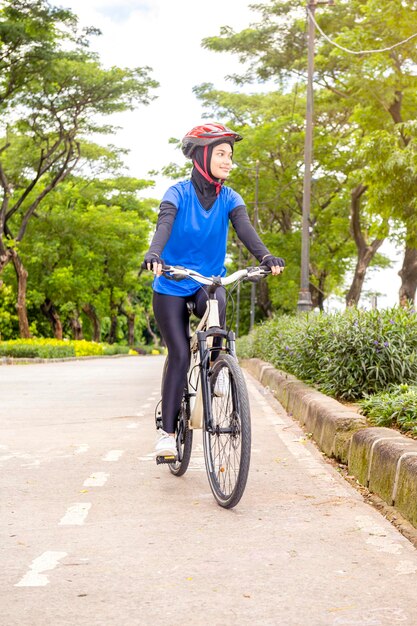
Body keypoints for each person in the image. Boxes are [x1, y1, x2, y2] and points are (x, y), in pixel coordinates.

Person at [144, 123, 285, 457]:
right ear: (201, 156)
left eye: (230, 155)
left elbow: (245, 229)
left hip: (206, 282)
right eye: (221, 154)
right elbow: (164, 226)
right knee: (179, 353)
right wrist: (155, 254)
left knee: (218, 301)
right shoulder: (177, 193)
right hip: (171, 284)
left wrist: (264, 256)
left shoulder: (230, 198)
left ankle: (219, 368)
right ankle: (167, 433)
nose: (228, 161)